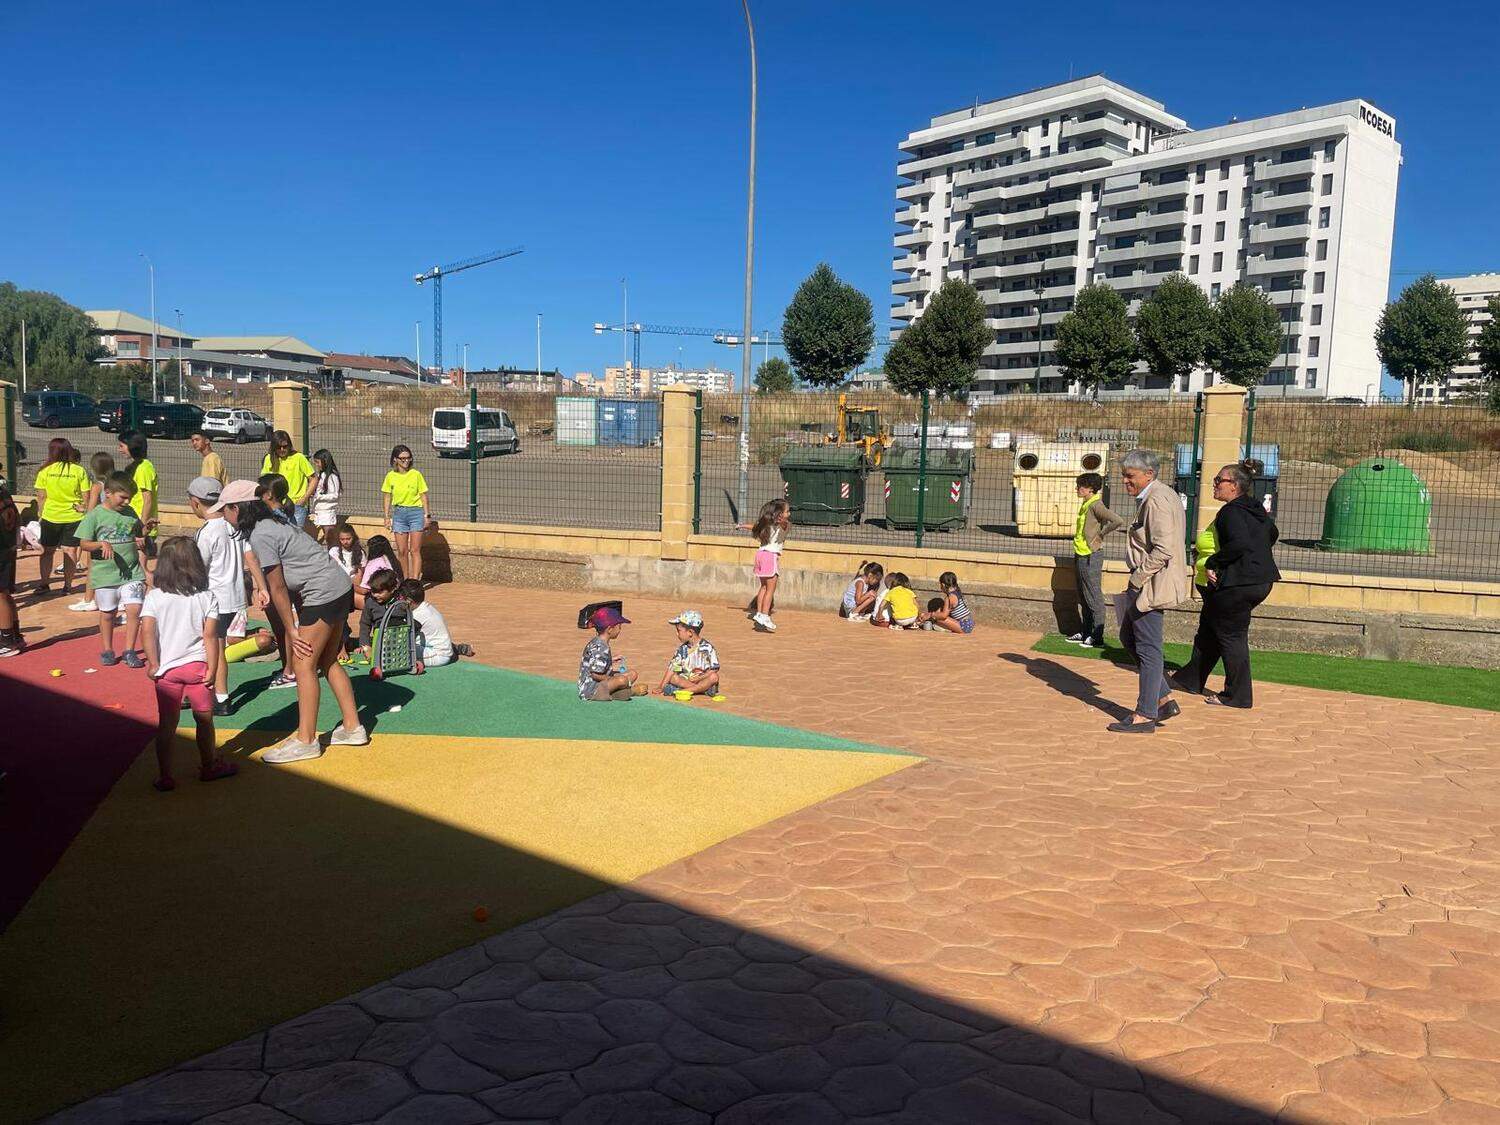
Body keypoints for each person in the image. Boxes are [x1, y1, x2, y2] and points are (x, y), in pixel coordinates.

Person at [217, 479, 366, 763]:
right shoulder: (273, 522)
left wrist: (292, 631)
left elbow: (278, 588)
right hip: (336, 587)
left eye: (225, 509)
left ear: (238, 508)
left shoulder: (262, 534)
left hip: (323, 593)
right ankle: (352, 727)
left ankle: (307, 740)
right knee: (328, 659)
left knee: (303, 664)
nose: (224, 516)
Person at [1170, 461, 1281, 709]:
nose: (1215, 484)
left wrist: (1214, 561)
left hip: (1239, 584)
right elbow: (1271, 534)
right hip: (1260, 581)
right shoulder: (1254, 508)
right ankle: (1191, 679)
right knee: (1210, 626)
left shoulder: (1230, 512)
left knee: (1232, 637)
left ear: (1235, 486)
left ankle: (1237, 695)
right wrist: (1257, 558)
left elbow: (1239, 543)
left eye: (1219, 480)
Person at [139, 537, 238, 792]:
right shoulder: (207, 597)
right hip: (198, 669)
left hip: (167, 671)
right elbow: (211, 637)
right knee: (204, 720)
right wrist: (213, 670)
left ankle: (165, 776)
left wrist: (153, 663)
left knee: (167, 724)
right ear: (196, 564)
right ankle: (209, 765)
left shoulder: (155, 597)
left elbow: (147, 631)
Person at [1110, 449, 1191, 734]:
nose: (1125, 481)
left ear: (1149, 474)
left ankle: (1146, 714)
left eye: (1130, 476)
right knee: (1128, 636)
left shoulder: (1156, 500)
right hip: (1148, 582)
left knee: (1147, 648)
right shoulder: (1159, 495)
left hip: (1150, 584)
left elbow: (1163, 549)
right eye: (1123, 475)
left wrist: (1138, 578)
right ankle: (1163, 698)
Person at [189, 476, 254, 716]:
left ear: (195, 503)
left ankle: (220, 696)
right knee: (216, 646)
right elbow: (248, 555)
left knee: (211, 647)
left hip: (213, 598)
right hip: (234, 596)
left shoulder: (207, 532)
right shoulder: (232, 524)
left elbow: (199, 567)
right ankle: (211, 692)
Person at [76, 472, 148, 668]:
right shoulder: (95, 515)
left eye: (129, 498)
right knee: (108, 613)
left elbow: (139, 532)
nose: (126, 502)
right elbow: (83, 543)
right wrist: (100, 544)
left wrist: (144, 533)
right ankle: (108, 649)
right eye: (122, 497)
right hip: (106, 574)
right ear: (108, 493)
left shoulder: (130, 512)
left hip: (132, 573)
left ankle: (129, 650)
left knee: (134, 609)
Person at [1067, 471, 1126, 648]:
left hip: (1091, 556)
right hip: (1080, 553)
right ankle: (1086, 632)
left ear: (1091, 489)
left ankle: (1097, 636)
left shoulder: (1096, 505)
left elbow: (1117, 520)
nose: (1077, 489)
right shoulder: (1086, 504)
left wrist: (1100, 535)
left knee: (1093, 596)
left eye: (1081, 486)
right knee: (1083, 595)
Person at [31, 437, 90, 596]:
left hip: (51, 517)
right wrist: (84, 509)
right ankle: (67, 587)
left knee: (47, 552)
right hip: (74, 517)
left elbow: (41, 497)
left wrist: (40, 515)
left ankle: (44, 584)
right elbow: (86, 496)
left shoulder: (45, 470)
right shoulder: (79, 470)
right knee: (70, 551)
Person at [69, 451, 117, 612]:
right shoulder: (115, 484)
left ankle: (89, 599)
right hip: (112, 526)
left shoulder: (97, 486)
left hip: (98, 529)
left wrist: (83, 511)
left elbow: (91, 511)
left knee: (93, 566)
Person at [381, 445, 429, 583]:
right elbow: (387, 497)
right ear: (395, 460)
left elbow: (423, 496)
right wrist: (386, 516)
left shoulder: (416, 474)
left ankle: (414, 581)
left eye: (408, 458)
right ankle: (405, 579)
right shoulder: (390, 476)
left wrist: (427, 516)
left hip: (416, 512)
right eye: (402, 459)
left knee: (415, 550)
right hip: (399, 514)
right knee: (402, 550)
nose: (406, 461)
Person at [739, 498, 789, 632]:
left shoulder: (766, 525)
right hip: (770, 557)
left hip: (760, 555)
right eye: (787, 511)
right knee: (770, 590)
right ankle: (765, 615)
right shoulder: (784, 525)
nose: (788, 514)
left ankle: (759, 613)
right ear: (779, 515)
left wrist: (741, 525)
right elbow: (785, 523)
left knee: (763, 587)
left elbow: (754, 526)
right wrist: (780, 517)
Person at [400, 579, 472, 667]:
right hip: (436, 647)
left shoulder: (419, 615)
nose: (398, 601)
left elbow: (404, 636)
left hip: (438, 656)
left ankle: (452, 649)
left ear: (408, 601)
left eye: (400, 598)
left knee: (403, 650)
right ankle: (455, 648)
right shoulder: (425, 607)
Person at [578, 604, 642, 701]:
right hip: (590, 689)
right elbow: (595, 674)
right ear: (609, 629)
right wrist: (612, 679)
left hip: (599, 683)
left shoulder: (600, 642)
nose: (620, 630)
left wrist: (611, 660)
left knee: (632, 674)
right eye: (619, 627)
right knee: (622, 680)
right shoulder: (601, 647)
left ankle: (618, 692)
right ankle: (627, 692)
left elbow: (596, 662)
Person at [658, 609, 722, 698]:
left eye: (679, 630)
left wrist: (699, 678)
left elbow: (714, 669)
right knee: (673, 677)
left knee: (714, 677)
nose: (677, 634)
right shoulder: (681, 650)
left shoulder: (707, 648)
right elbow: (672, 668)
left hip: (701, 680)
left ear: (690, 633)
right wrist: (661, 687)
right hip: (686, 681)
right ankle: (703, 690)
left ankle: (682, 691)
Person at [260, 431, 315, 531]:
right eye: (279, 447)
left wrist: (304, 498)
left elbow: (313, 479)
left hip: (297, 505)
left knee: (296, 537)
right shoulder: (269, 459)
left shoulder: (299, 458)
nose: (282, 450)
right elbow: (265, 482)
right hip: (276, 505)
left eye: (285, 446)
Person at [117, 431, 158, 560]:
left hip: (140, 525)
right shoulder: (133, 467)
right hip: (130, 522)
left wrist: (142, 529)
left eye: (122, 446)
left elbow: (148, 500)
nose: (119, 450)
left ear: (132, 446)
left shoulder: (144, 468)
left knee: (141, 570)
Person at [354, 569, 401, 661]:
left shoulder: (400, 602)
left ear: (392, 589)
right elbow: (365, 624)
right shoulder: (370, 603)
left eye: (380, 592)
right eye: (373, 591)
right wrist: (364, 645)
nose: (375, 595)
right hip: (380, 641)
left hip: (400, 639)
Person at [0, 480, 22, 658]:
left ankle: (6, 640)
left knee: (1, 595)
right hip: (7, 548)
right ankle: (15, 634)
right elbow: (18, 518)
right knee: (5, 594)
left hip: (2, 549)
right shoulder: (4, 492)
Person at [355, 534, 403, 610]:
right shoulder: (393, 561)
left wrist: (351, 586)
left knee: (350, 594)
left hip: (379, 600)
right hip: (395, 596)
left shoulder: (374, 563)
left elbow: (364, 590)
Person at [308, 449, 342, 544]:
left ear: (325, 461)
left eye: (318, 462)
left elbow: (335, 495)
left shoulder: (332, 476)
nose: (316, 465)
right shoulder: (322, 474)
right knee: (326, 536)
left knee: (330, 537)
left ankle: (333, 554)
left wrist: (319, 496)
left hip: (327, 511)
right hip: (320, 511)